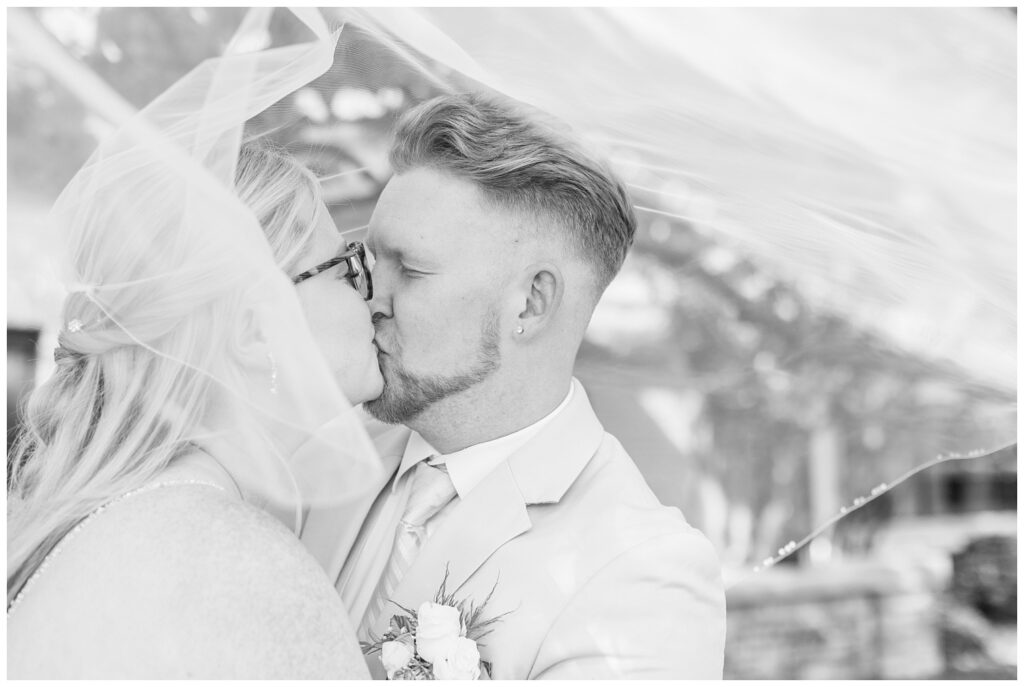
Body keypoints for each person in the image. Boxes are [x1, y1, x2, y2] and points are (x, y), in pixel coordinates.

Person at [304, 93, 727, 679]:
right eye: (369, 262)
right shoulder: (307, 450)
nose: (368, 297)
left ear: (530, 303)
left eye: (412, 269)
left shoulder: (641, 575)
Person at [6, 142, 380, 678]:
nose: (371, 291)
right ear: (254, 328)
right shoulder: (244, 563)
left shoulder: (112, 521)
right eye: (345, 268)